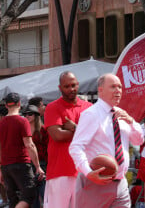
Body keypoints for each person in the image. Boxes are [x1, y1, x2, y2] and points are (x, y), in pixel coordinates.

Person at [69, 73, 144, 208]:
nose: (118, 90)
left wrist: (132, 122)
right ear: (101, 90)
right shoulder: (91, 114)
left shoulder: (122, 114)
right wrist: (88, 172)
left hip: (120, 183)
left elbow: (138, 141)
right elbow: (75, 147)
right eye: (113, 87)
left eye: (120, 87)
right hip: (95, 184)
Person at [43, 71, 92, 208]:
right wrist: (84, 131)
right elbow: (57, 136)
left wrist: (75, 128)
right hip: (60, 171)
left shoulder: (89, 108)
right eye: (67, 86)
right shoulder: (52, 107)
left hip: (84, 170)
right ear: (60, 88)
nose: (71, 89)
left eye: (73, 85)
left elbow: (94, 135)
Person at [0, 93, 44, 208]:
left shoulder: (0, 124)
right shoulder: (22, 121)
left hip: (6, 166)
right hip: (21, 164)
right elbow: (29, 145)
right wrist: (37, 166)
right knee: (29, 196)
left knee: (13, 200)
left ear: (6, 106)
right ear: (19, 104)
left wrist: (1, 170)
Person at [22, 105, 48, 208]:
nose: (27, 116)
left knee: (45, 195)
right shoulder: (23, 130)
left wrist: (47, 166)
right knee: (33, 197)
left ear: (36, 115)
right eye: (25, 114)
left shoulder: (43, 129)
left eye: (30, 114)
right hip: (27, 165)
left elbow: (48, 149)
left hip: (42, 164)